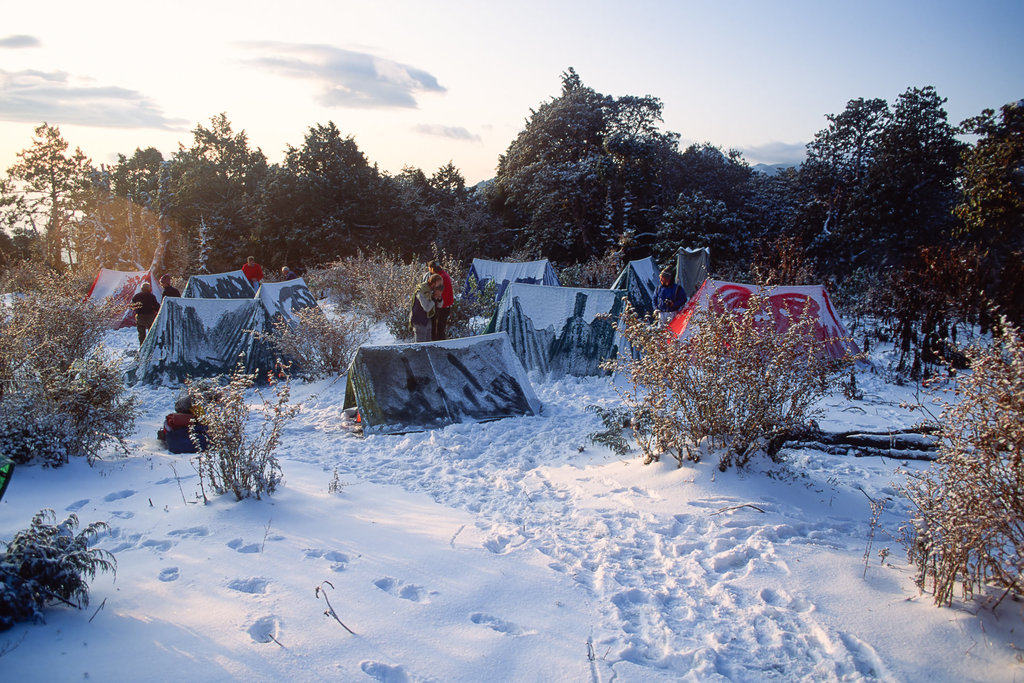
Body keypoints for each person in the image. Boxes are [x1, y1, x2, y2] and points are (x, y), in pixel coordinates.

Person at [426, 259, 454, 340]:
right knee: (440, 329)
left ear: (431, 268)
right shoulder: (444, 274)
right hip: (446, 306)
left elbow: (436, 292)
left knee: (437, 331)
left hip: (442, 306)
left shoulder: (438, 278)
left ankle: (438, 347)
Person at [410, 274, 442, 342]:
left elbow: (440, 305)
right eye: (438, 285)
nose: (439, 287)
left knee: (428, 343)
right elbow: (426, 307)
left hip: (427, 319)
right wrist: (434, 298)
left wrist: (439, 298)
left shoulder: (431, 290)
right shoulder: (421, 291)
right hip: (419, 320)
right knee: (420, 345)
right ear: (433, 283)